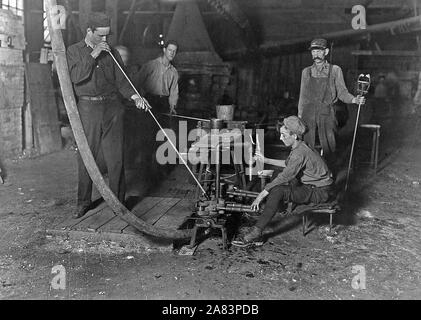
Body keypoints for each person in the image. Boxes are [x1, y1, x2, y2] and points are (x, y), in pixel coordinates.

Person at [66, 12, 149, 219]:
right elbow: (75, 78)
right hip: (87, 109)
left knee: (116, 157)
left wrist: (135, 96)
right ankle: (83, 202)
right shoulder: (73, 51)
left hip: (112, 107)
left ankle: (118, 203)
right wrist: (93, 54)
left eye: (107, 36)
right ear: (89, 31)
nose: (105, 40)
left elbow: (122, 81)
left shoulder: (112, 53)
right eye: (100, 36)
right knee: (87, 156)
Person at [232, 116, 335, 247]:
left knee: (278, 190)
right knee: (276, 178)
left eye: (284, 135)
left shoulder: (299, 153)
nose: (281, 138)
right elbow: (289, 164)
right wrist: (266, 160)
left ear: (295, 136)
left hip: (320, 192)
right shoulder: (301, 147)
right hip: (313, 185)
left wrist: (261, 195)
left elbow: (286, 175)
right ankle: (271, 208)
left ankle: (255, 234)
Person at [298, 38, 365, 161]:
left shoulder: (335, 70)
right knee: (306, 146)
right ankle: (308, 176)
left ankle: (329, 175)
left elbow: (342, 92)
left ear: (326, 52)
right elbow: (302, 97)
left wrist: (354, 99)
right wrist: (300, 117)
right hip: (308, 113)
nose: (316, 55)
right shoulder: (306, 72)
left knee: (329, 146)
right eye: (313, 52)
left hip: (327, 113)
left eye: (319, 51)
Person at [138, 40, 179, 117]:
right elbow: (138, 81)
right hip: (149, 100)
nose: (172, 53)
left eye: (174, 51)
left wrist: (172, 106)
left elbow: (174, 91)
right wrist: (140, 98)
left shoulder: (174, 72)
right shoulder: (151, 65)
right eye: (170, 50)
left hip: (164, 103)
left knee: (163, 127)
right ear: (164, 50)